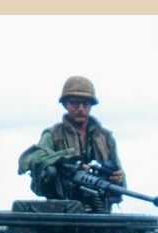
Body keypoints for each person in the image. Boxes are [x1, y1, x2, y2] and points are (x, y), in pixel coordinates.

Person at [17, 75, 125, 213]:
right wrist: (68, 162)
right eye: (75, 103)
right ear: (65, 104)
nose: (81, 109)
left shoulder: (106, 138)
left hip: (100, 210)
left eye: (86, 104)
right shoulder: (53, 135)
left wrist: (118, 179)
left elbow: (119, 176)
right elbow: (36, 161)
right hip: (62, 211)